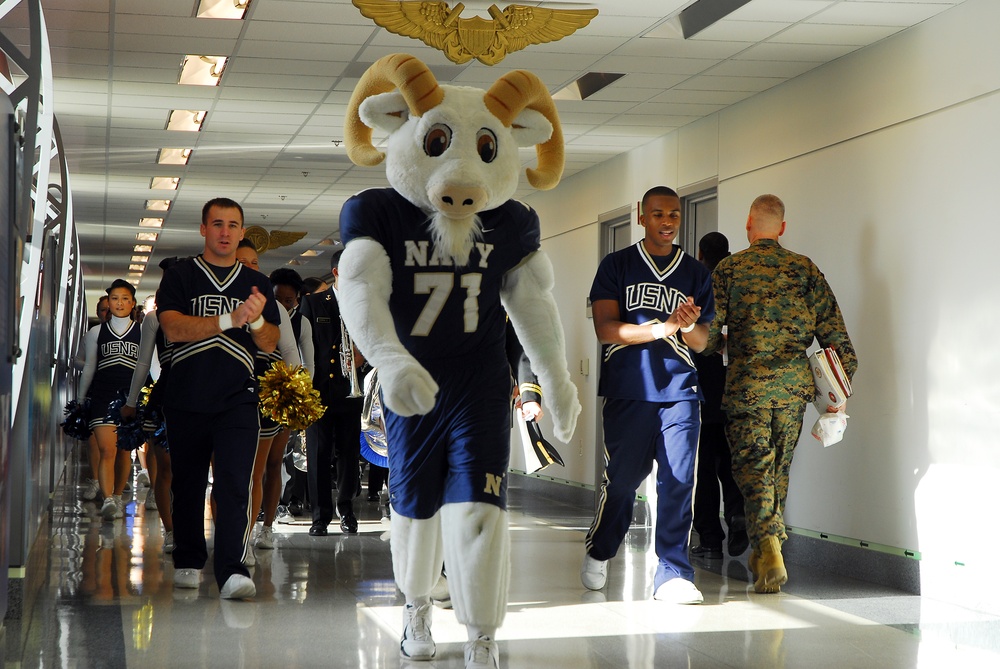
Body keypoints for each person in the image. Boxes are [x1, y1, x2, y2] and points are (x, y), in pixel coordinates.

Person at [707, 194, 857, 594]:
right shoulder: (805, 270)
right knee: (776, 472)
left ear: (749, 224)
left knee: (753, 469)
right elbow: (836, 338)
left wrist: (712, 343)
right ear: (783, 228)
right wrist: (838, 394)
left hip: (747, 388)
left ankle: (770, 546)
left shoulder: (729, 269)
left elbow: (707, 335)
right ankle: (765, 550)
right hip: (793, 392)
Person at [584, 185, 714, 605]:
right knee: (622, 482)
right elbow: (606, 329)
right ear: (642, 216)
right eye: (658, 214)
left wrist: (688, 323)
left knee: (678, 480)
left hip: (680, 391)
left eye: (674, 215)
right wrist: (660, 328)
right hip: (629, 390)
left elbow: (701, 342)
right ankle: (601, 548)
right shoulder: (616, 265)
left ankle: (673, 571)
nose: (667, 222)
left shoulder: (695, 272)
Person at [156, 197, 281, 600]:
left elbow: (270, 341)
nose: (225, 232)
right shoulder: (180, 276)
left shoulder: (256, 285)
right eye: (217, 224)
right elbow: (173, 328)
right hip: (185, 396)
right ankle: (189, 559)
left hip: (237, 400)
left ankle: (232, 569)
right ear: (203, 229)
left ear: (242, 232)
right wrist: (230, 319)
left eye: (232, 225)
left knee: (234, 483)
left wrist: (258, 318)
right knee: (188, 482)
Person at [690, 232, 748, 560]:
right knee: (732, 461)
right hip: (737, 392)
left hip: (702, 394)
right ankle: (738, 517)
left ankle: (710, 539)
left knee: (704, 471)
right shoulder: (740, 285)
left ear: (701, 255)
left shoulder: (698, 289)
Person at [299, 249, 363, 536]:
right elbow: (303, 345)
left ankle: (347, 510)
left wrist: (363, 356)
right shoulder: (313, 303)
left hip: (351, 391)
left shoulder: (364, 303)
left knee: (349, 455)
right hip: (319, 391)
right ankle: (320, 516)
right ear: (336, 273)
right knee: (319, 454)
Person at [77, 279, 142, 520]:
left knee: (124, 451)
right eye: (115, 298)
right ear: (108, 302)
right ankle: (107, 500)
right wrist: (81, 399)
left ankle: (116, 495)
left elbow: (150, 366)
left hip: (130, 398)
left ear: (133, 303)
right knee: (107, 449)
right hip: (102, 395)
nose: (120, 303)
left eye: (125, 298)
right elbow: (90, 366)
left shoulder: (143, 331)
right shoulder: (96, 332)